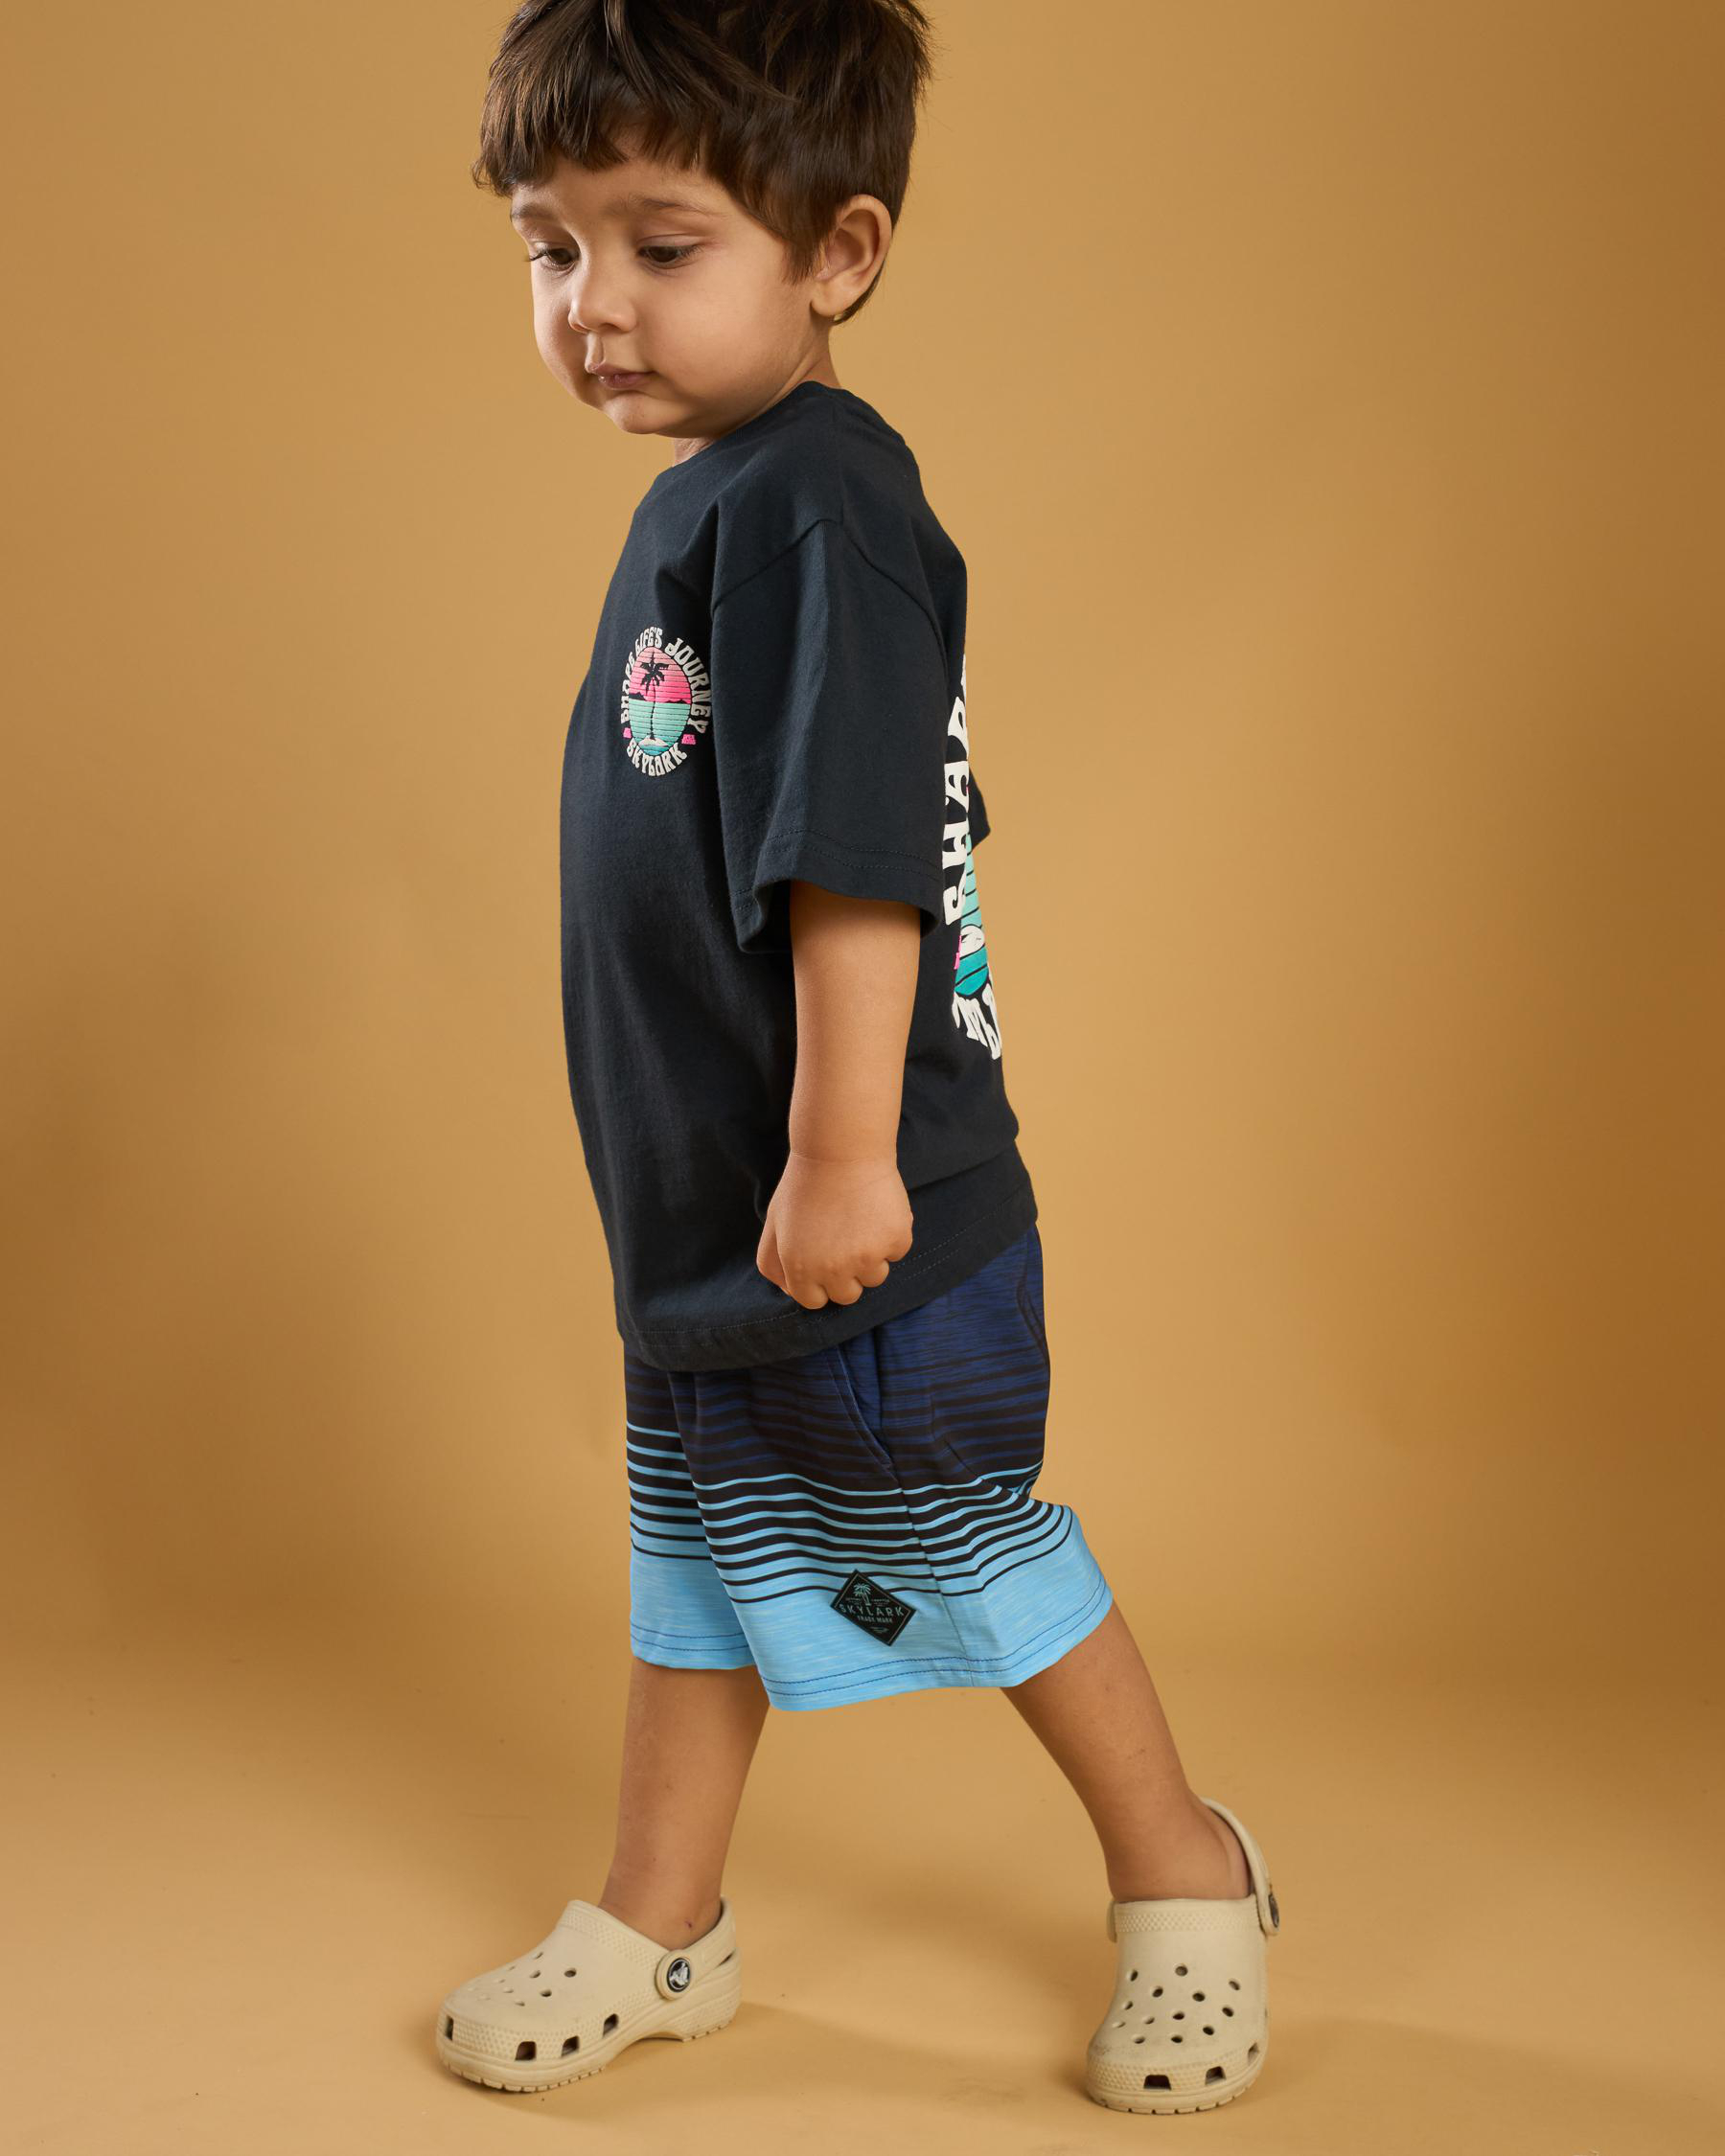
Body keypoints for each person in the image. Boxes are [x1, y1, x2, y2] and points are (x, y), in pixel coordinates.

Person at [435, 0, 1280, 2115]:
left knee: (970, 1546)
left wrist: (839, 1150)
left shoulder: (818, 506)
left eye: (662, 245)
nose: (594, 304)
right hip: (713, 1215)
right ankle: (662, 1918)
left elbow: (856, 859)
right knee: (696, 1567)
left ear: (839, 252)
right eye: (552, 247)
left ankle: (1191, 1874)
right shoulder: (721, 496)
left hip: (859, 1210)